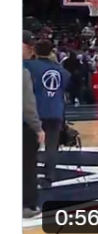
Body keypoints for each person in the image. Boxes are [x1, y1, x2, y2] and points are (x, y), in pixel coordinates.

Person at [24, 39, 70, 188]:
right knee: (51, 147)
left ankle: (29, 177)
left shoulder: (29, 66)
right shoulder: (61, 70)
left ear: (35, 51)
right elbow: (65, 88)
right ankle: (49, 177)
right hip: (55, 112)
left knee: (30, 147)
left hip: (35, 112)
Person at [22, 31, 44, 217]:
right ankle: (27, 205)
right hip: (23, 127)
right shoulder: (22, 72)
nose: (31, 50)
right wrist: (37, 128)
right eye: (27, 46)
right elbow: (27, 105)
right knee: (27, 166)